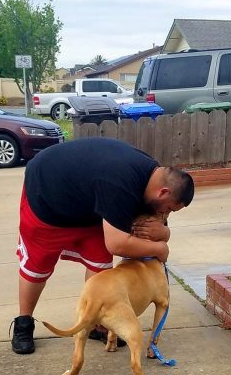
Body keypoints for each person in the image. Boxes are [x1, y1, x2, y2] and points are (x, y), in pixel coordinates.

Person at [11, 137, 195, 354]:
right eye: (170, 209)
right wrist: (160, 249)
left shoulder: (152, 178)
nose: (166, 214)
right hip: (47, 198)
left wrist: (165, 232)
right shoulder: (120, 184)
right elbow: (117, 244)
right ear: (163, 192)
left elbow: (153, 225)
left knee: (99, 263)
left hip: (89, 206)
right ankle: (24, 323)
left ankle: (96, 321)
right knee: (37, 266)